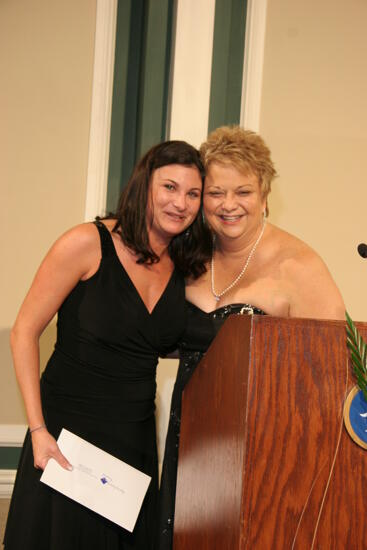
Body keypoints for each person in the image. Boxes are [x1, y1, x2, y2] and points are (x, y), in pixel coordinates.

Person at [4, 140, 212, 550]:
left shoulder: (184, 267)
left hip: (132, 447)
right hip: (66, 437)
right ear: (144, 186)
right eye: (169, 187)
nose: (181, 203)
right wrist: (38, 428)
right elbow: (23, 331)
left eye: (193, 194)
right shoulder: (86, 242)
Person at [157, 125, 345, 549]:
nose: (228, 205)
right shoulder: (187, 254)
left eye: (242, 192)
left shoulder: (299, 266)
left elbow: (334, 373)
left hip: (265, 444)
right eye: (215, 192)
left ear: (264, 194)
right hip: (189, 435)